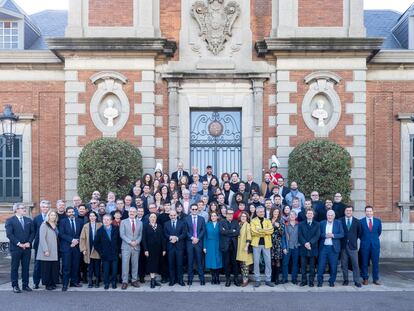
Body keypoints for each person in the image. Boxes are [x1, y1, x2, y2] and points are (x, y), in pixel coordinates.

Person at [6, 203, 35, 293]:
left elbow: (32, 233)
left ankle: (25, 285)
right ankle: (15, 286)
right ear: (16, 210)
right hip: (16, 248)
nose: (24, 209)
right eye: (23, 208)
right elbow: (9, 234)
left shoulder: (28, 220)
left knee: (26, 267)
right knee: (15, 267)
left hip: (27, 248)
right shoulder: (10, 220)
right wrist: (19, 244)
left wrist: (29, 242)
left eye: (24, 208)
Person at [317, 210, 344, 287]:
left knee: (333, 266)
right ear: (326, 216)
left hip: (333, 248)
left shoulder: (338, 223)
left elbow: (342, 234)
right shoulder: (322, 223)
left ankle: (332, 281)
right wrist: (325, 235)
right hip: (324, 248)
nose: (330, 216)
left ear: (334, 216)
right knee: (321, 265)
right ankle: (320, 281)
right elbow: (319, 234)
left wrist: (333, 235)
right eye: (328, 215)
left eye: (331, 215)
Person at [59, 206, 84, 291]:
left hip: (76, 247)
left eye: (72, 212)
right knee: (66, 266)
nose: (71, 213)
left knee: (75, 265)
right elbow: (61, 234)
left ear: (75, 212)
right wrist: (72, 240)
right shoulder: (63, 222)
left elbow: (82, 234)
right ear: (66, 213)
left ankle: (74, 281)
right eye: (69, 212)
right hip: (67, 247)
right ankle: (65, 284)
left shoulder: (79, 221)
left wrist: (76, 241)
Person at [95, 214, 121, 290]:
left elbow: (119, 241)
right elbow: (96, 243)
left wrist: (118, 251)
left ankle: (114, 283)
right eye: (104, 219)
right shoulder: (100, 230)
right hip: (105, 254)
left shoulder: (116, 229)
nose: (105, 221)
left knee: (114, 270)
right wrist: (101, 252)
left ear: (111, 221)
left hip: (114, 253)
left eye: (107, 220)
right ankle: (106, 283)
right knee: (106, 270)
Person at [250, 206, 274, 287]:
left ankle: (268, 279)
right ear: (256, 213)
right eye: (260, 211)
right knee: (256, 262)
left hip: (266, 244)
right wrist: (265, 231)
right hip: (256, 244)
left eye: (263, 211)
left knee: (268, 262)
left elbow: (271, 231)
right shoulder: (253, 221)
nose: (262, 213)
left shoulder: (268, 220)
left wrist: (259, 230)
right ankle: (257, 279)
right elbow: (253, 232)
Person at [120, 207, 143, 289]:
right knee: (125, 265)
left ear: (136, 213)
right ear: (128, 212)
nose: (132, 213)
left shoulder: (140, 223)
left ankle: (134, 280)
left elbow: (140, 235)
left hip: (136, 246)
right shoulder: (123, 222)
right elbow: (122, 234)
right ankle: (125, 281)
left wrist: (136, 242)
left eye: (134, 211)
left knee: (135, 264)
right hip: (126, 247)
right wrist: (130, 242)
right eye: (130, 211)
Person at [142, 213, 166, 288]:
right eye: (151, 217)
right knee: (151, 264)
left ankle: (154, 281)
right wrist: (145, 249)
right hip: (150, 249)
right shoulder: (145, 227)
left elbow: (163, 238)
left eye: (154, 217)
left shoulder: (159, 226)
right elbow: (144, 239)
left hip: (158, 249)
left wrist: (164, 249)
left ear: (156, 218)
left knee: (157, 264)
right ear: (149, 218)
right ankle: (152, 281)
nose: (153, 218)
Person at [37, 210, 59, 290]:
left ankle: (52, 283)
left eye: (54, 215)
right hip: (47, 250)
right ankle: (47, 284)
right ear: (48, 216)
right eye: (51, 215)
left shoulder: (55, 225)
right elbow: (42, 238)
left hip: (54, 250)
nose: (53, 217)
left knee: (53, 268)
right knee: (46, 268)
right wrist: (45, 250)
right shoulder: (44, 225)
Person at [340, 205, 362, 288]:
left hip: (353, 246)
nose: (348, 212)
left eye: (350, 210)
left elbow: (359, 233)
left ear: (352, 212)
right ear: (344, 212)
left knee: (355, 264)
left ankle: (357, 281)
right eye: (347, 211)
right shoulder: (340, 221)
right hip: (343, 246)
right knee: (344, 264)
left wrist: (353, 240)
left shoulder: (357, 221)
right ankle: (346, 280)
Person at [164, 210, 187, 286]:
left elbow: (184, 233)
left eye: (174, 215)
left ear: (176, 215)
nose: (173, 217)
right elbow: (165, 234)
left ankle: (180, 280)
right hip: (170, 247)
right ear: (169, 216)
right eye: (171, 215)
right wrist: (170, 237)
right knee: (171, 264)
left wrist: (177, 238)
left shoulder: (182, 223)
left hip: (179, 247)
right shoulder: (166, 224)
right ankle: (172, 280)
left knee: (179, 264)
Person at [360, 205, 382, 285]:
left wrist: (373, 239)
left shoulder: (378, 221)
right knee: (364, 262)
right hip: (364, 245)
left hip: (375, 245)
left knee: (375, 262)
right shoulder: (361, 221)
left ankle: (375, 279)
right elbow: (360, 233)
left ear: (372, 212)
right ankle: (365, 278)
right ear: (365, 212)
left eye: (370, 211)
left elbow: (379, 232)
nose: (369, 212)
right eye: (367, 211)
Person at [80, 211, 102, 288]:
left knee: (97, 266)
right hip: (88, 248)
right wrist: (83, 249)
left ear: (96, 217)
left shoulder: (100, 225)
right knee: (90, 266)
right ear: (89, 217)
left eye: (93, 216)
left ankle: (97, 282)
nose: (92, 217)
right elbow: (82, 238)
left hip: (97, 249)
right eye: (90, 216)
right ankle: (90, 282)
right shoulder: (85, 226)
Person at [185, 203, 206, 285]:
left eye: (195, 209)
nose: (194, 210)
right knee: (190, 261)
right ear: (190, 210)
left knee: (199, 261)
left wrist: (198, 238)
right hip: (190, 242)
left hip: (198, 242)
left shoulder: (201, 219)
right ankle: (190, 278)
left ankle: (202, 278)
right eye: (192, 209)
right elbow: (185, 231)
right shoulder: (186, 219)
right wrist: (192, 238)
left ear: (198, 210)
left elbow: (203, 230)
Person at [298, 209, 320, 287]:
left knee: (312, 267)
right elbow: (299, 235)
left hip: (313, 248)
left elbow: (317, 235)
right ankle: (303, 281)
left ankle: (311, 281)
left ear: (313, 215)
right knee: (303, 266)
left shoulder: (317, 224)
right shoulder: (301, 224)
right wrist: (305, 243)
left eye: (311, 213)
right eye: (308, 213)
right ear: (306, 215)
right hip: (303, 248)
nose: (310, 215)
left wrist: (310, 243)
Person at [219, 209, 240, 287]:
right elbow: (221, 232)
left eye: (231, 214)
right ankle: (228, 280)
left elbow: (237, 232)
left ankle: (236, 279)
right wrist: (232, 231)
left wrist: (227, 231)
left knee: (235, 264)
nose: (230, 215)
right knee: (226, 263)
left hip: (234, 246)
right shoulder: (221, 222)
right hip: (225, 246)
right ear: (226, 215)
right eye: (229, 214)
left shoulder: (236, 222)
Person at [33, 200, 50, 289]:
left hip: (50, 244)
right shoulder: (36, 218)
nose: (45, 209)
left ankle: (46, 282)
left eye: (46, 207)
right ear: (40, 207)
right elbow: (34, 232)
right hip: (39, 244)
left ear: (49, 208)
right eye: (43, 207)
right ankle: (36, 282)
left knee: (47, 264)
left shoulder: (52, 217)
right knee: (38, 264)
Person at [203, 212, 223, 285]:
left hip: (218, 244)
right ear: (210, 217)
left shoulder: (220, 224)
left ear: (217, 217)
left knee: (218, 260)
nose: (213, 217)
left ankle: (217, 277)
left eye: (215, 216)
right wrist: (204, 247)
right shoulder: (207, 225)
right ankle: (213, 277)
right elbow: (205, 236)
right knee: (211, 261)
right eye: (212, 216)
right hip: (209, 244)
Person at [281, 211, 300, 285]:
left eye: (293, 215)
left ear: (296, 216)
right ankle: (284, 278)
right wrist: (284, 247)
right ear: (288, 216)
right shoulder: (285, 225)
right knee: (285, 263)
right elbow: (283, 237)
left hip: (296, 246)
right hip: (287, 247)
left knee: (295, 263)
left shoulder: (299, 225)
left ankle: (294, 279)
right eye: (290, 214)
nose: (292, 216)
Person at [236, 211, 253, 287]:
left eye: (245, 216)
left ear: (247, 218)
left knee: (245, 265)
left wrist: (246, 245)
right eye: (242, 216)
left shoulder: (248, 225)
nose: (243, 218)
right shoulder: (238, 224)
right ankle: (244, 278)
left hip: (245, 247)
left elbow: (249, 237)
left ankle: (245, 280)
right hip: (239, 247)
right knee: (241, 264)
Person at [270, 207, 284, 285]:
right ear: (272, 212)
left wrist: (278, 226)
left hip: (277, 243)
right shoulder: (268, 220)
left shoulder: (280, 221)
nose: (276, 213)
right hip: (269, 243)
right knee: (271, 260)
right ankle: (272, 276)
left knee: (277, 260)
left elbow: (282, 233)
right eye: (275, 212)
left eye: (277, 212)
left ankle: (277, 278)